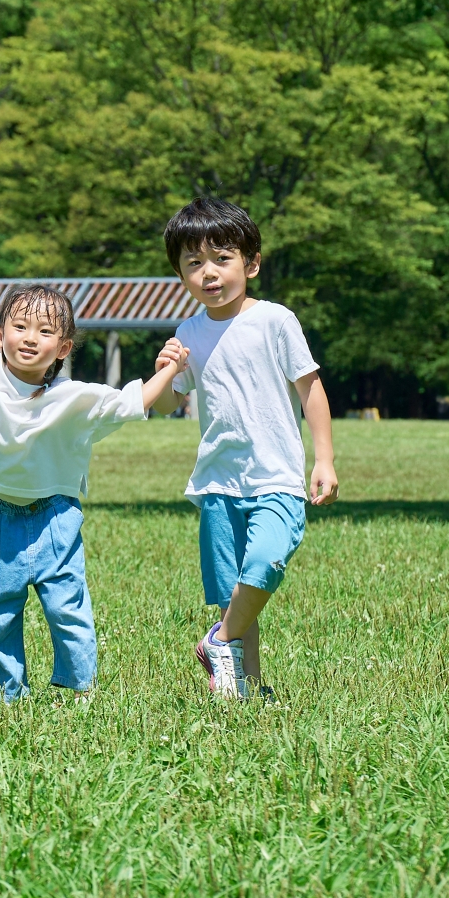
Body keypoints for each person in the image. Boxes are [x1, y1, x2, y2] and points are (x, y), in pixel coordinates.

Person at [0, 273, 188, 700]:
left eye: (46, 331)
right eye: (20, 327)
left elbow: (133, 402)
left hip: (55, 516)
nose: (30, 338)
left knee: (68, 608)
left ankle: (80, 690)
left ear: (63, 349)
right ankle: (6, 697)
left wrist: (171, 369)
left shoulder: (75, 397)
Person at [158, 197, 338, 700]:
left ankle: (218, 641)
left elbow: (311, 389)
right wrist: (168, 368)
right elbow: (173, 400)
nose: (208, 273)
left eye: (222, 258)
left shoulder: (276, 321)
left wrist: (323, 458)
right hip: (218, 480)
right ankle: (246, 686)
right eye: (193, 264)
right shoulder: (189, 332)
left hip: (275, 475)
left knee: (265, 562)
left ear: (251, 263)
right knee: (235, 592)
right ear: (180, 275)